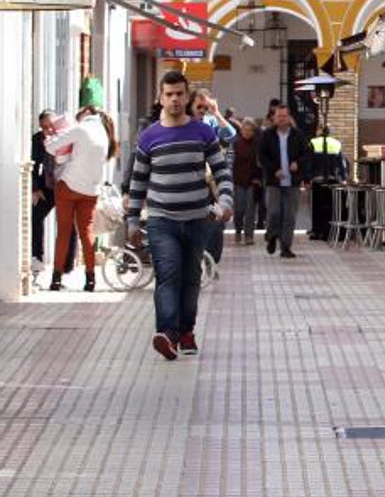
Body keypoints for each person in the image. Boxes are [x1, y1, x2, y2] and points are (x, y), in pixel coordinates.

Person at [127, 71, 233, 359]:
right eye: (169, 94)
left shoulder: (203, 132)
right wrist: (133, 220)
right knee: (168, 274)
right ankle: (167, 334)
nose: (174, 99)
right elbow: (138, 182)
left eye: (179, 94)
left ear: (187, 97)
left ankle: (186, 331)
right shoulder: (149, 137)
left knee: (190, 278)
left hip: (198, 218)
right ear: (161, 97)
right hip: (162, 220)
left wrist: (224, 200)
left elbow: (222, 171)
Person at [42, 106, 119, 292]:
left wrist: (49, 139)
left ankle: (56, 279)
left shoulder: (80, 129)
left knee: (64, 232)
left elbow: (52, 147)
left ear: (86, 115)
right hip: (91, 191)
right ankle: (91, 280)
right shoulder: (104, 133)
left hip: (68, 186)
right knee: (86, 233)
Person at [258, 103, 310, 259]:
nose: (281, 119)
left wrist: (298, 163)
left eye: (284, 116)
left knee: (289, 216)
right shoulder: (267, 135)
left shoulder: (297, 135)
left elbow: (307, 153)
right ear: (274, 118)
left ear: (289, 118)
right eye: (278, 116)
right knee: (274, 212)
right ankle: (272, 235)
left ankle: (286, 247)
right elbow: (262, 156)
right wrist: (274, 170)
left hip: (292, 182)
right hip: (274, 182)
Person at [193, 89, 236, 264]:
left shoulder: (210, 122)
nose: (202, 110)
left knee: (216, 224)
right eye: (199, 106)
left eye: (206, 107)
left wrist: (216, 113)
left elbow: (231, 135)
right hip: (193, 183)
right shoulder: (184, 124)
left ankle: (211, 261)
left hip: (212, 182)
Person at [30, 110, 77, 274]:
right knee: (35, 216)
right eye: (44, 127)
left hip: (67, 185)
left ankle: (67, 266)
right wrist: (35, 189)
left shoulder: (68, 136)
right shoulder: (37, 140)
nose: (49, 130)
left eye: (51, 126)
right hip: (48, 186)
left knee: (68, 225)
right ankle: (37, 258)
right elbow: (33, 166)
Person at [308, 130, 346, 241]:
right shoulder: (336, 143)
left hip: (317, 179)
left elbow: (309, 161)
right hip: (332, 179)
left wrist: (307, 178)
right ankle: (329, 230)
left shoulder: (313, 142)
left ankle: (317, 230)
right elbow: (340, 162)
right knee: (330, 206)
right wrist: (343, 178)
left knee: (317, 207)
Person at [232, 117, 262, 245]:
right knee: (239, 209)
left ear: (253, 131)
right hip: (238, 181)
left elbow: (261, 163)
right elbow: (231, 163)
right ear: (241, 130)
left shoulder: (258, 145)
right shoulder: (236, 144)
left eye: (250, 130)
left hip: (252, 182)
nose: (247, 132)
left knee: (250, 210)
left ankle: (249, 235)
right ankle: (238, 230)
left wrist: (259, 178)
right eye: (245, 130)